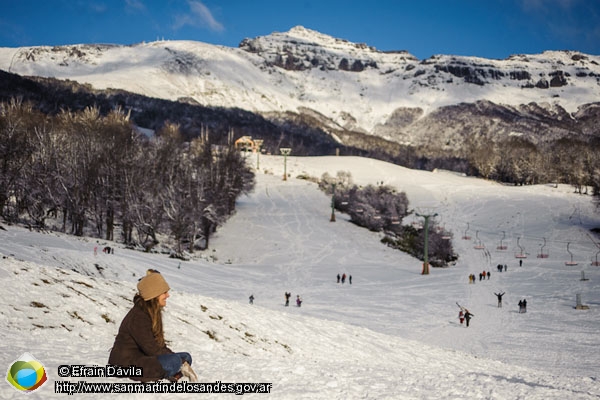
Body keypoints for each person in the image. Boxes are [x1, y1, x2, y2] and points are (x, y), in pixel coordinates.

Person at [109, 270, 198, 383]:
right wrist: (178, 362)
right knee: (176, 360)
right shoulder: (139, 316)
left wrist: (181, 360)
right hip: (125, 365)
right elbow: (151, 348)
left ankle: (172, 375)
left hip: (143, 359)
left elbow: (159, 346)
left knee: (186, 356)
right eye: (164, 292)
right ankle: (172, 374)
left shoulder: (150, 313)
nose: (168, 295)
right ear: (154, 294)